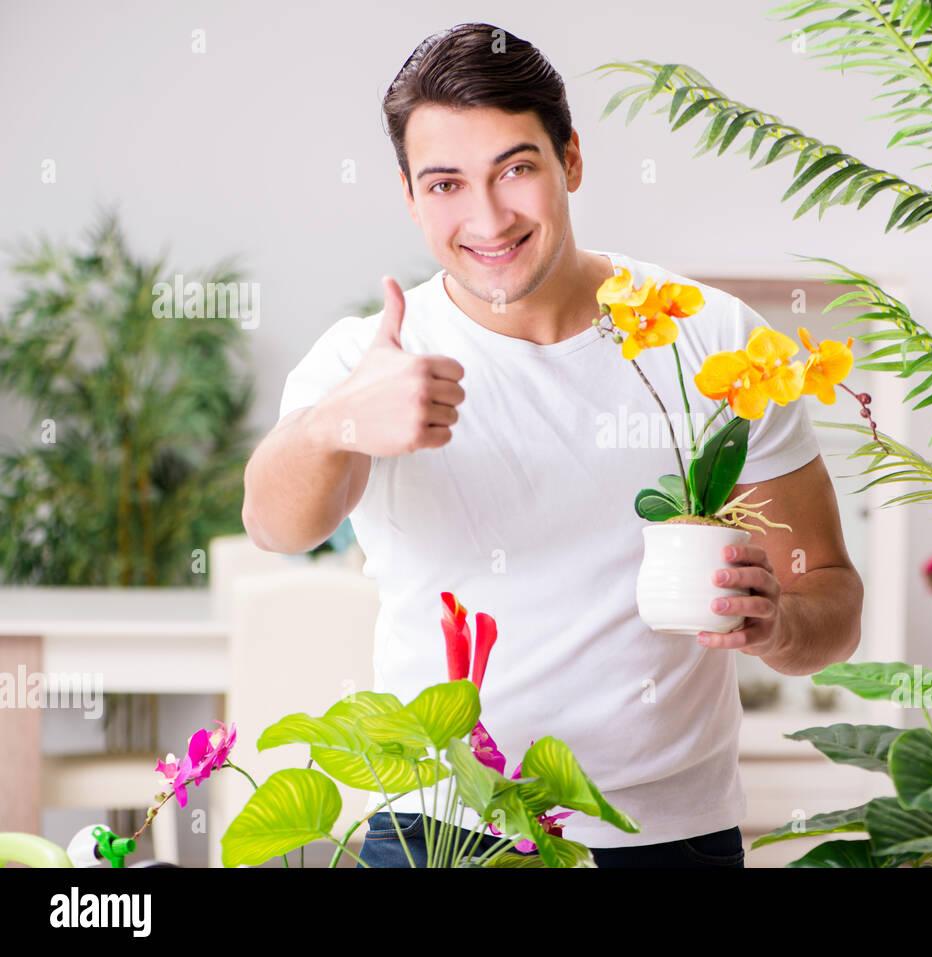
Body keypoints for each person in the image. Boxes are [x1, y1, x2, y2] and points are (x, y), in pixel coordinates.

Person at [240, 22, 864, 868]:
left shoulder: (712, 338)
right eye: (447, 183)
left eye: (516, 169)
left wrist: (777, 622)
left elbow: (832, 597)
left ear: (571, 160)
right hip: (438, 826)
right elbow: (275, 525)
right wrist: (337, 422)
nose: (488, 217)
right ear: (410, 195)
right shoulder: (373, 358)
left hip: (667, 835)